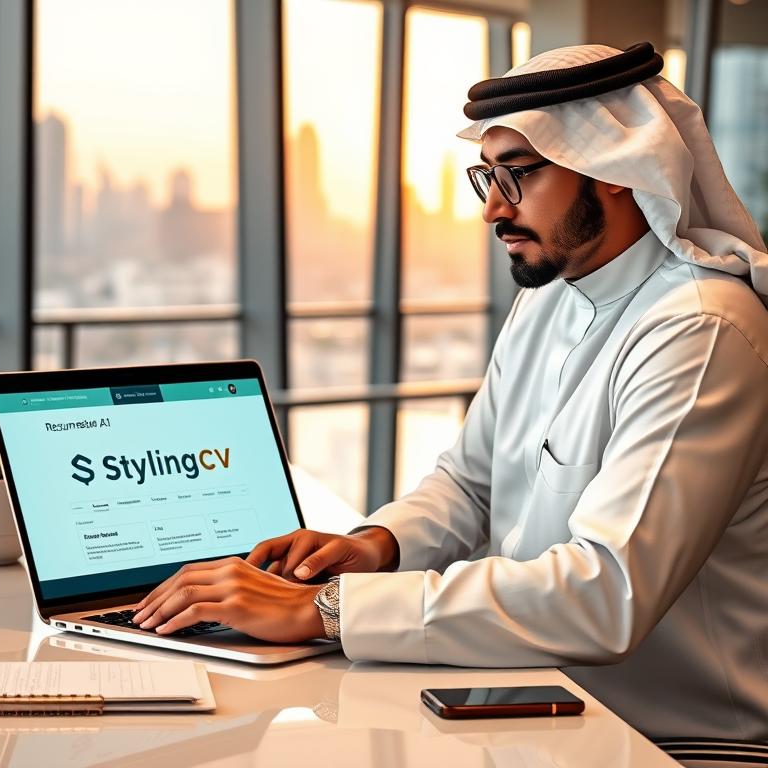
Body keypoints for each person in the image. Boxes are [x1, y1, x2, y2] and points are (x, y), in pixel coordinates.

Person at [131, 43, 768, 741]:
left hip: (678, 745)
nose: (494, 209)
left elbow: (605, 592)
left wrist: (327, 611)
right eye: (487, 178)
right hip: (534, 714)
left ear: (614, 169)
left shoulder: (702, 329)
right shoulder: (552, 299)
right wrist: (375, 546)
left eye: (518, 176)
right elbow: (471, 484)